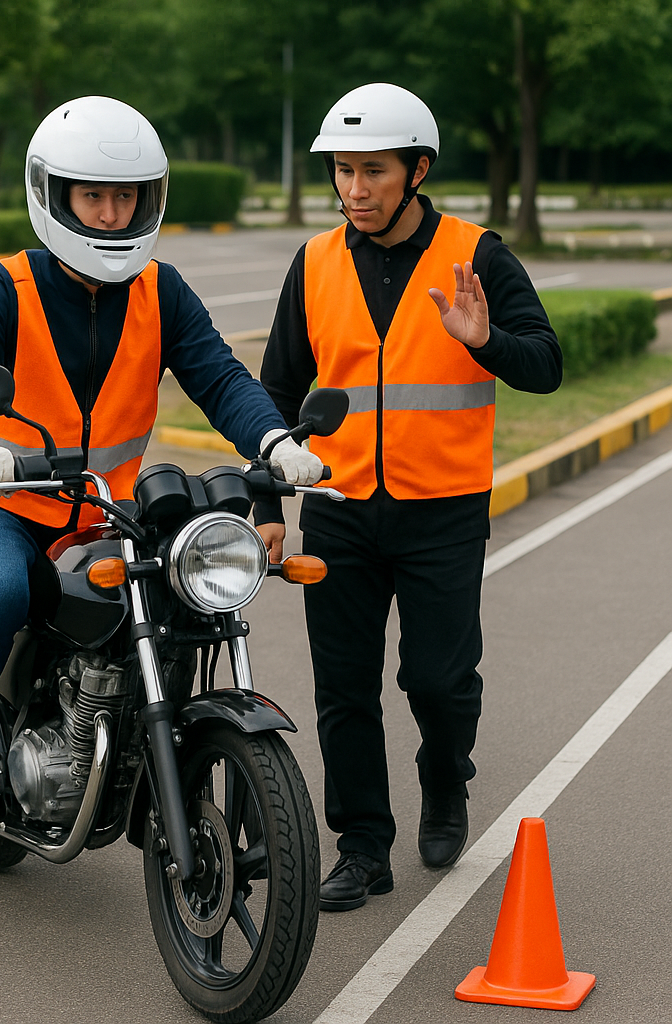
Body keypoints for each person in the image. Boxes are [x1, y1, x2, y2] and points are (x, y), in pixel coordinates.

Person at [0, 95, 324, 826]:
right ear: (55, 196)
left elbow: (221, 376)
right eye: (93, 196)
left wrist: (276, 443)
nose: (110, 214)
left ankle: (135, 739)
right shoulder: (4, 285)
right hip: (5, 506)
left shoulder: (159, 289)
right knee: (5, 592)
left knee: (182, 594)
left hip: (105, 508)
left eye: (124, 198)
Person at [255, 83, 562, 911]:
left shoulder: (478, 255)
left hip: (443, 512)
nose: (355, 189)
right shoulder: (314, 262)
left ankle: (444, 775)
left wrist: (486, 339)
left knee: (438, 679)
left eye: (374, 172)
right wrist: (266, 504)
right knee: (343, 689)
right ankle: (361, 845)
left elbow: (546, 364)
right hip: (340, 511)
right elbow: (276, 389)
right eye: (344, 172)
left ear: (417, 171)